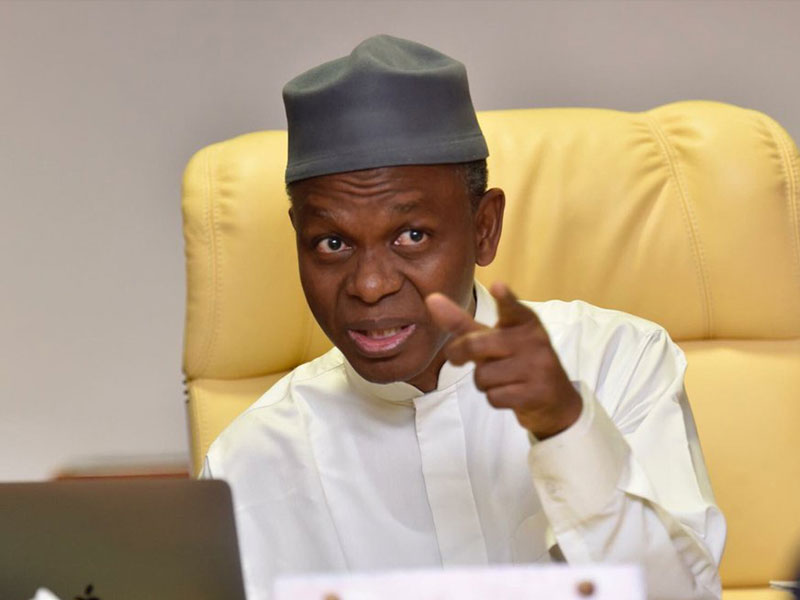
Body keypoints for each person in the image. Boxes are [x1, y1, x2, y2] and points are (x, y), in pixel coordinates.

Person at [201, 35, 725, 600]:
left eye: (412, 236)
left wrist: (566, 427)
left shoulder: (616, 362)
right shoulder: (246, 463)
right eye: (332, 243)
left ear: (484, 228)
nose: (370, 285)